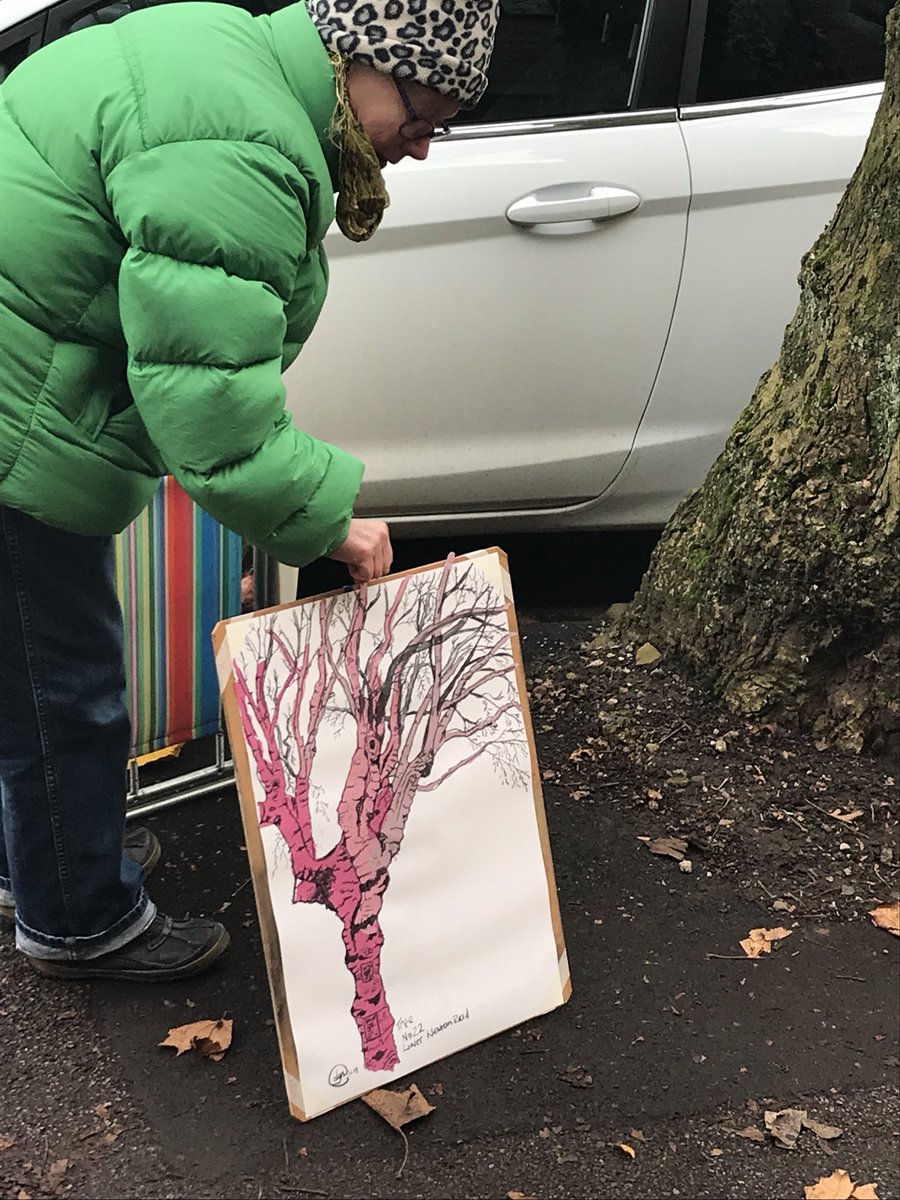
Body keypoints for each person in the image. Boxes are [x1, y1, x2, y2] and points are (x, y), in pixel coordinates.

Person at [0, 0, 499, 981]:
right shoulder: (245, 146)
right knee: (67, 692)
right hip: (16, 424)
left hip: (23, 378)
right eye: (426, 116)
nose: (424, 148)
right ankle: (78, 920)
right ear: (368, 58)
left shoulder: (228, 56)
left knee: (27, 672)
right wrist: (336, 523)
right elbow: (213, 416)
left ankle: (49, 855)